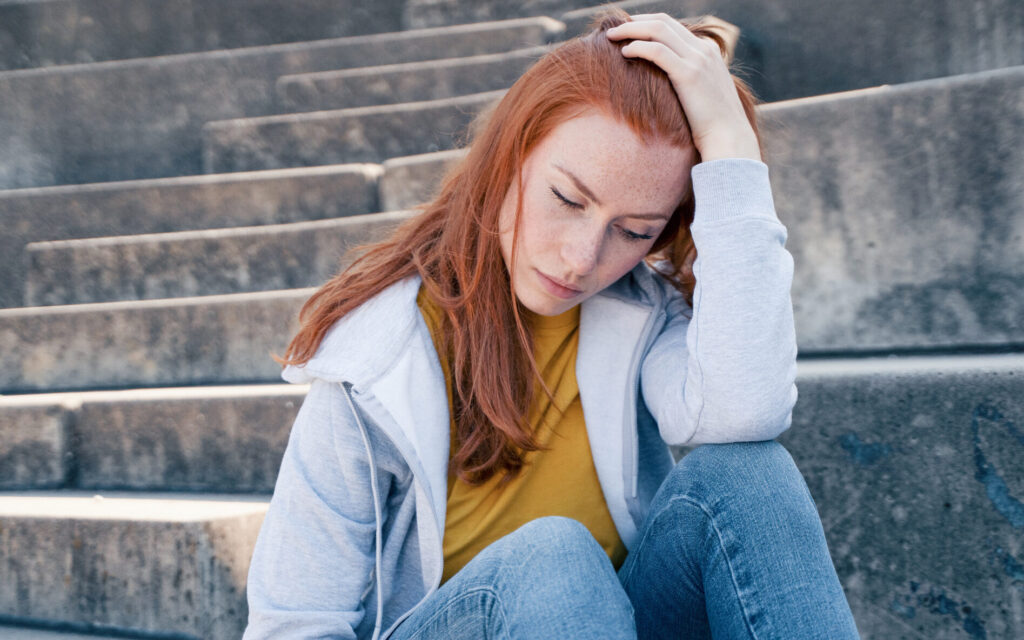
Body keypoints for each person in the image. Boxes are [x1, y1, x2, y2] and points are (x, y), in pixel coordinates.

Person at [242, 8, 861, 640]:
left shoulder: (643, 312)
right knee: (553, 557)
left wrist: (731, 148)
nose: (582, 258)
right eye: (567, 199)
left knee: (747, 477)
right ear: (508, 158)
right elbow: (293, 625)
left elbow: (744, 411)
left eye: (634, 231)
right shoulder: (371, 363)